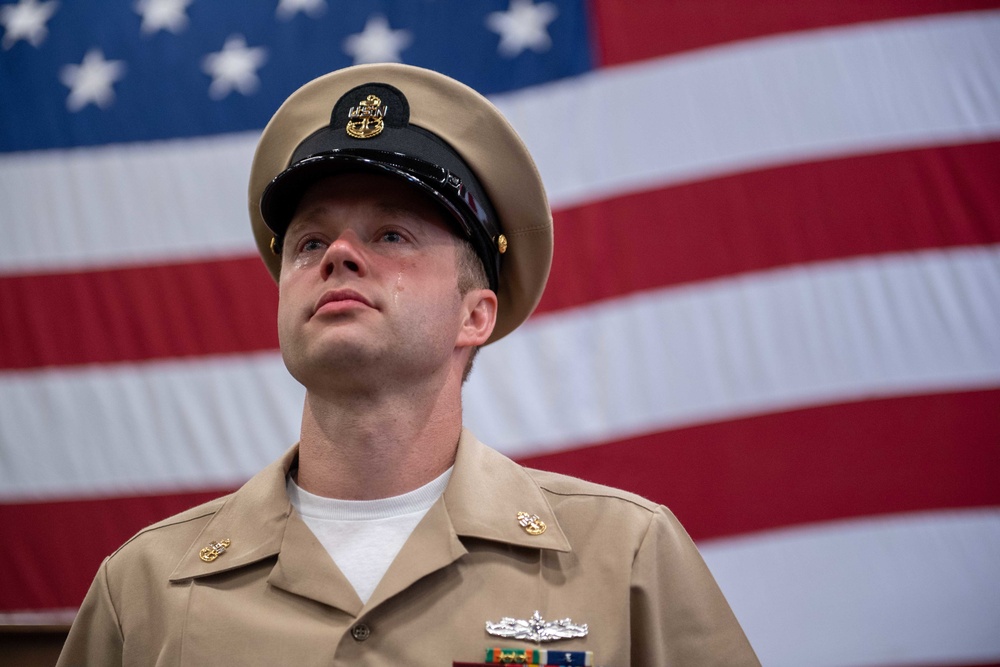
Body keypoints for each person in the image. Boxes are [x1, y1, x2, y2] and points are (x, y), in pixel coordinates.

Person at [57, 63, 760, 666]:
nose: (336, 255)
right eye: (307, 243)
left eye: (391, 233)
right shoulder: (145, 587)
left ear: (475, 315)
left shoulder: (626, 557)